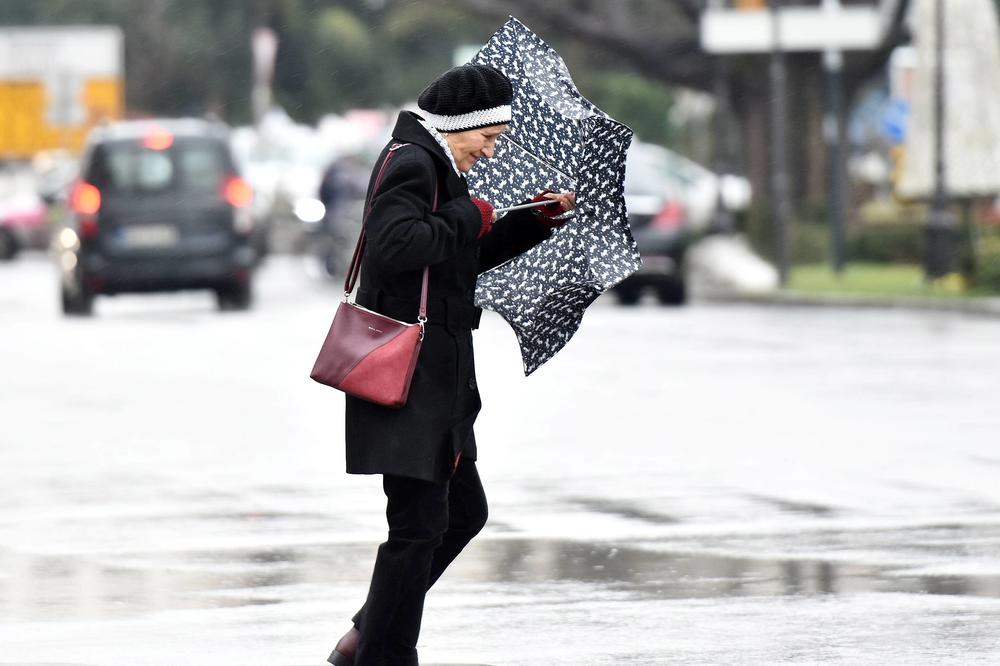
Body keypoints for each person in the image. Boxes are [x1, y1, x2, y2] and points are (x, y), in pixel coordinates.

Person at [327, 64, 575, 666]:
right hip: (411, 379)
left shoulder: (437, 164)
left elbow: (456, 258)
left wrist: (532, 220)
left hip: (437, 382)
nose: (490, 151)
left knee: (461, 513)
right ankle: (383, 653)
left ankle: (368, 636)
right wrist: (470, 215)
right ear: (460, 124)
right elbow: (393, 247)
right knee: (418, 525)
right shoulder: (413, 162)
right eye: (487, 138)